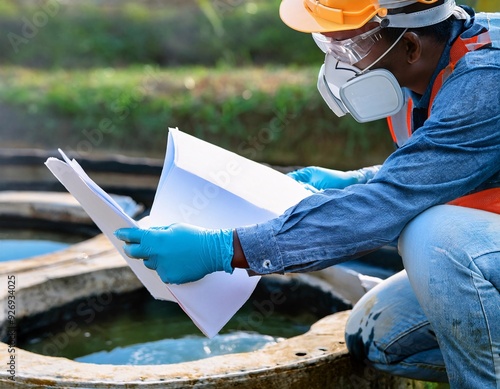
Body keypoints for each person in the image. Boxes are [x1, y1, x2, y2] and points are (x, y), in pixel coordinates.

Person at [115, 0, 500, 386]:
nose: (340, 66)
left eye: (348, 49)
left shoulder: (484, 83)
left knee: (433, 236)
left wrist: (222, 250)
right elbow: (441, 164)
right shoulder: (433, 70)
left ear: (411, 46)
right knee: (378, 337)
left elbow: (384, 208)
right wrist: (359, 180)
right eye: (328, 47)